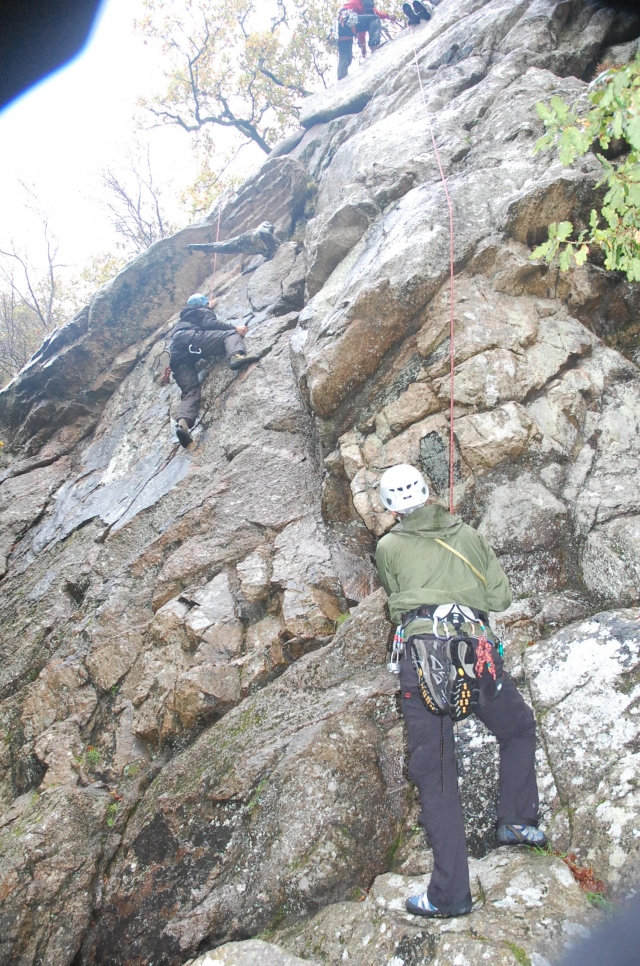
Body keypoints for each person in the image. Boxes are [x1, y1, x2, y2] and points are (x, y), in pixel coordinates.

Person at [375, 463, 546, 919]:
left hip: (424, 659)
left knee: (436, 770)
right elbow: (500, 598)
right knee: (518, 727)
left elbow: (396, 598)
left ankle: (450, 894)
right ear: (428, 491)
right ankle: (516, 821)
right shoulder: (467, 534)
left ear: (389, 506)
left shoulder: (387, 547)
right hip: (476, 653)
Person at [168, 293, 259, 447]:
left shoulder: (185, 318)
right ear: (203, 304)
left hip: (177, 354)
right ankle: (236, 355)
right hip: (193, 341)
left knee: (190, 391)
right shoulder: (200, 311)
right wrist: (235, 328)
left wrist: (208, 306)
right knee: (229, 335)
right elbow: (210, 324)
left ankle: (182, 425)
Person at [335, 0, 394, 80]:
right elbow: (374, 13)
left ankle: (341, 80)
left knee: (345, 57)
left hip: (339, 28)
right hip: (347, 20)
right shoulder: (363, 2)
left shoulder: (355, 6)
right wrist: (387, 15)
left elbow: (360, 28)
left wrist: (362, 45)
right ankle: (374, 45)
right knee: (374, 19)